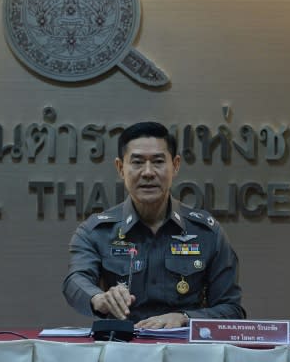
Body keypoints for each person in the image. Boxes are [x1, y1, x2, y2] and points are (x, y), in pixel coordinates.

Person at [62, 121, 245, 328]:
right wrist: (98, 298)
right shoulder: (96, 231)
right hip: (122, 349)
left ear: (175, 166)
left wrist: (185, 318)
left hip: (185, 351)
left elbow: (232, 310)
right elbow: (75, 280)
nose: (148, 172)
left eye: (158, 161)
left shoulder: (206, 232)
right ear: (121, 168)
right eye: (137, 162)